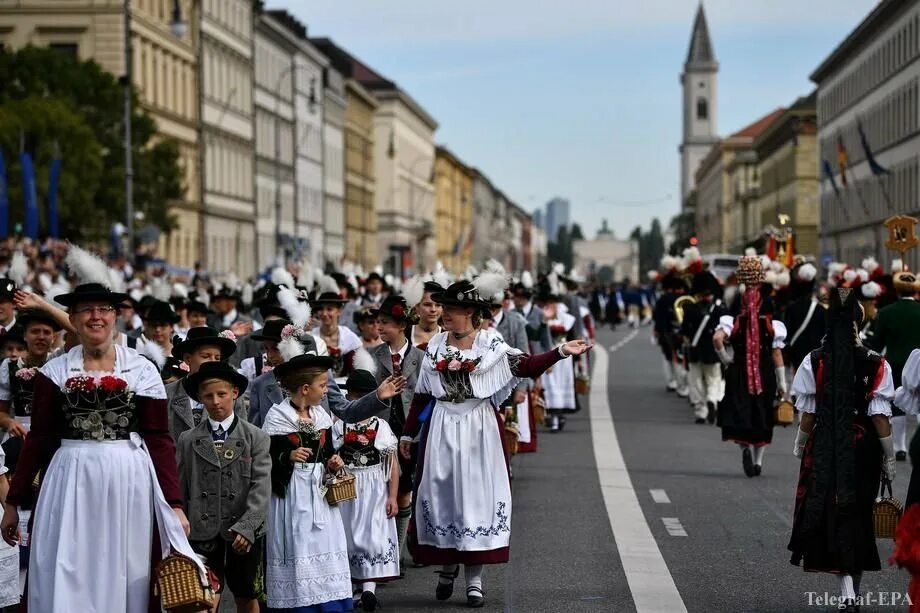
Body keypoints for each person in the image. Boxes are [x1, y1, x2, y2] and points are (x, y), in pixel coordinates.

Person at [0, 282, 203, 612]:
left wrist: (174, 504)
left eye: (103, 310)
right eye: (86, 310)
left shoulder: (141, 369)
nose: (96, 317)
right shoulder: (55, 371)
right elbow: (39, 439)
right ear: (73, 319)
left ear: (115, 317)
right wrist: (15, 501)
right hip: (69, 482)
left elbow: (159, 440)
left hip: (129, 483)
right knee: (67, 562)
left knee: (127, 566)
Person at [399, 279, 591, 608]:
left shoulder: (491, 346)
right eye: (444, 308)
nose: (445, 315)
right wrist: (407, 432)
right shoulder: (435, 346)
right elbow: (422, 393)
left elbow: (526, 365)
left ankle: (474, 580)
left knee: (477, 499)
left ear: (471, 313)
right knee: (444, 495)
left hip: (479, 428)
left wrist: (560, 351)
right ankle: (447, 567)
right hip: (443, 427)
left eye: (452, 310)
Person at [788, 287, 896, 613]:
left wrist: (800, 443)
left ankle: (848, 591)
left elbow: (808, 412)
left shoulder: (814, 359)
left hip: (824, 447)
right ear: (859, 321)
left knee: (833, 514)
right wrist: (890, 456)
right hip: (862, 448)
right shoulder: (876, 362)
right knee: (857, 513)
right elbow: (879, 417)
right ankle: (852, 589)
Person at [261, 353, 354, 612]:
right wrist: (287, 455)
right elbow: (265, 456)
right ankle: (298, 602)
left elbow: (327, 453)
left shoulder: (321, 416)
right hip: (292, 496)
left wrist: (332, 463)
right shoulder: (278, 417)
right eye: (322, 386)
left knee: (325, 543)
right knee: (297, 543)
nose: (325, 392)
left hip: (319, 495)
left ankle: (330, 602)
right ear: (305, 388)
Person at [178, 361, 271, 613]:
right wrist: (181, 528)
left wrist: (248, 527)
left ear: (235, 393)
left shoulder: (256, 437)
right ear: (199, 398)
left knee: (246, 594)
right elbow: (181, 486)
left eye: (221, 394)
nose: (216, 401)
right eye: (208, 396)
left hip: (243, 532)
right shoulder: (187, 440)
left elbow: (261, 488)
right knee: (204, 598)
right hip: (202, 531)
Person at [334, 355, 400, 612]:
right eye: (355, 395)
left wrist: (393, 496)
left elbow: (392, 464)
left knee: (372, 536)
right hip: (347, 483)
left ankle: (369, 589)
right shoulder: (339, 425)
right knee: (347, 534)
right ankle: (350, 587)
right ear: (348, 396)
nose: (359, 400)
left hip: (374, 485)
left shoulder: (380, 426)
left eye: (365, 395)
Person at [713, 256, 788, 477]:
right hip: (763, 370)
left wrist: (727, 360)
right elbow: (776, 351)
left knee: (740, 412)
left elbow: (718, 339)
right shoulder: (770, 306)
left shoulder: (735, 304)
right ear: (761, 277)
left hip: (739, 371)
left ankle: (744, 448)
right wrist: (783, 383)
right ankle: (758, 462)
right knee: (762, 414)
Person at [370, 295, 423, 564]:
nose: (379, 327)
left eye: (385, 323)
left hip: (408, 432)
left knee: (404, 490)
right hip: (379, 432)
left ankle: (397, 553)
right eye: (378, 322)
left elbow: (426, 396)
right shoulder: (370, 356)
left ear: (402, 325)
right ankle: (380, 551)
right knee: (380, 491)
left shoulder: (420, 358)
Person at [867, 270, 920, 462]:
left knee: (897, 404)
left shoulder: (886, 312)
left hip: (896, 363)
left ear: (896, 290)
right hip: (919, 364)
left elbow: (877, 343)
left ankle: (900, 446)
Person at [166, 326, 244, 443]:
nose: (212, 362)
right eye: (205, 356)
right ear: (187, 358)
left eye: (217, 358)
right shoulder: (167, 394)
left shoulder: (232, 395)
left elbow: (241, 436)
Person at [679, 270, 728, 424]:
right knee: (713, 380)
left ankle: (701, 411)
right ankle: (712, 400)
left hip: (695, 350)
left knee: (696, 381)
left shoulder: (690, 309)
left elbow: (684, 332)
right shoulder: (721, 310)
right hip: (713, 352)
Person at [536, 284, 578, 432]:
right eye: (547, 302)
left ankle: (560, 415)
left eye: (553, 302)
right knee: (549, 386)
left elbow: (572, 337)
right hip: (548, 355)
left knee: (563, 385)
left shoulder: (567, 318)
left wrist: (578, 360)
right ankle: (551, 417)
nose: (550, 305)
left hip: (564, 359)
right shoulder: (541, 317)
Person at [312, 291, 362, 377]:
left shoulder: (348, 336)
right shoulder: (311, 336)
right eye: (321, 309)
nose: (324, 313)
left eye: (329, 309)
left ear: (339, 311)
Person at [409, 281, 443, 349]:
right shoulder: (404, 334)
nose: (433, 309)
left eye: (438, 305)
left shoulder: (449, 336)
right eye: (427, 305)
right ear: (417, 307)